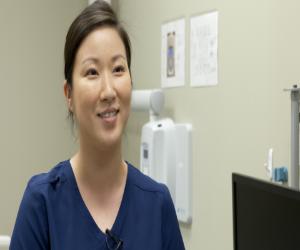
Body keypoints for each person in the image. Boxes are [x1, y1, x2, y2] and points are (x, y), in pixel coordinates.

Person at [10, 1, 185, 249]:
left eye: (118, 69)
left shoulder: (158, 205)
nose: (108, 91)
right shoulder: (42, 203)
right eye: (92, 72)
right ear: (68, 93)